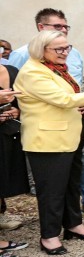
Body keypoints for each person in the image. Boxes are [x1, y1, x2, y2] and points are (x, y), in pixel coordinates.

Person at [15, 30, 84, 255]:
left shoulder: (56, 69)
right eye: (59, 49)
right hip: (47, 141)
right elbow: (64, 99)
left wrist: (83, 105)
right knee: (52, 191)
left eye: (67, 48)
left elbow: (67, 99)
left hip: (70, 135)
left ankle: (73, 224)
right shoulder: (33, 72)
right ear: (42, 50)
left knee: (70, 185)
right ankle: (48, 235)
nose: (65, 52)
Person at [8, 9, 84, 218]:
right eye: (57, 27)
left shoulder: (74, 53)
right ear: (41, 29)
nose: (63, 30)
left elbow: (74, 88)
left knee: (83, 163)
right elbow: (14, 87)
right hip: (48, 131)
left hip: (75, 123)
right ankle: (52, 223)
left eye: (65, 26)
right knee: (53, 182)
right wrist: (14, 108)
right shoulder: (24, 57)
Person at [1, 62, 30, 233]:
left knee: (4, 178)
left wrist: (17, 111)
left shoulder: (12, 71)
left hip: (9, 133)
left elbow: (24, 99)